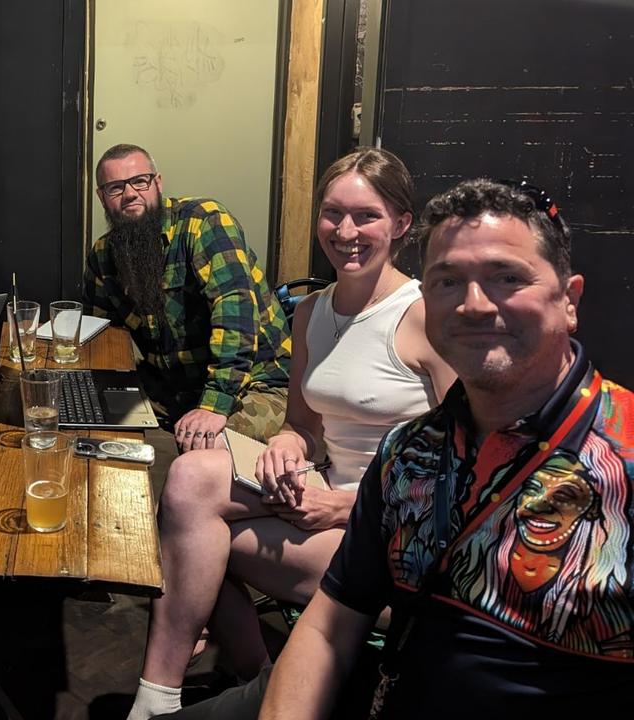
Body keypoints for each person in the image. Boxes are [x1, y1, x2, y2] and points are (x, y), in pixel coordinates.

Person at [260, 178, 634, 719]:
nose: (474, 305)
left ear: (569, 300)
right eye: (448, 281)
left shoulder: (621, 460)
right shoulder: (407, 452)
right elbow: (330, 623)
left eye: (507, 277)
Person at [126, 149, 455, 719]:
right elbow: (304, 425)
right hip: (319, 489)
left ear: (401, 224)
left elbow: (465, 465)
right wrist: (286, 443)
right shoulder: (310, 313)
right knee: (189, 476)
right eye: (332, 214)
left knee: (195, 537)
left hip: (395, 529)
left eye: (366, 216)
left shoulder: (426, 315)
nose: (346, 231)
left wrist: (350, 505)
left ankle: (241, 685)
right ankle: (187, 690)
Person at [82, 143, 292, 448]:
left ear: (158, 183)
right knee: (84, 419)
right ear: (102, 197)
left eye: (140, 181)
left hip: (255, 386)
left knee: (204, 448)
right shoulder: (103, 255)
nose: (130, 194)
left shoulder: (204, 222)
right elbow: (99, 336)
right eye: (116, 187)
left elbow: (235, 316)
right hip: (174, 387)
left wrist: (214, 404)